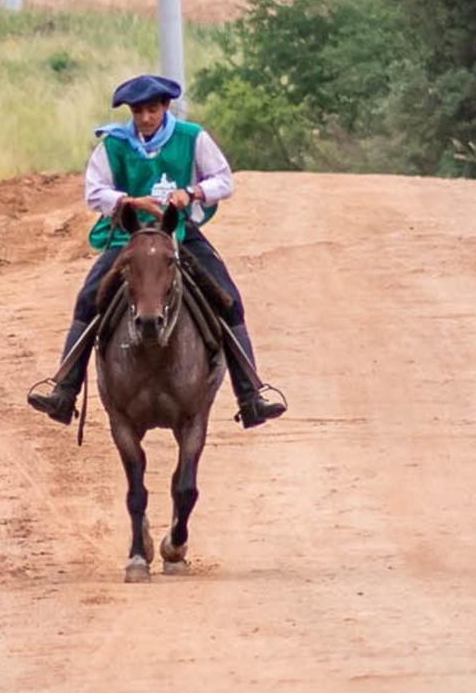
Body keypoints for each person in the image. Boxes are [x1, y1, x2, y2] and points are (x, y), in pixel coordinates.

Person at [28, 75, 287, 430]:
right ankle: (64, 391)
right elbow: (94, 191)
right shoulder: (114, 144)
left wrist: (192, 192)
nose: (146, 118)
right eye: (138, 111)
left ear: (166, 108)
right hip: (127, 238)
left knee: (228, 299)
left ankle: (251, 395)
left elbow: (224, 180)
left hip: (178, 234)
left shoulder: (192, 137)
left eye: (152, 110)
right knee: (88, 300)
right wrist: (128, 201)